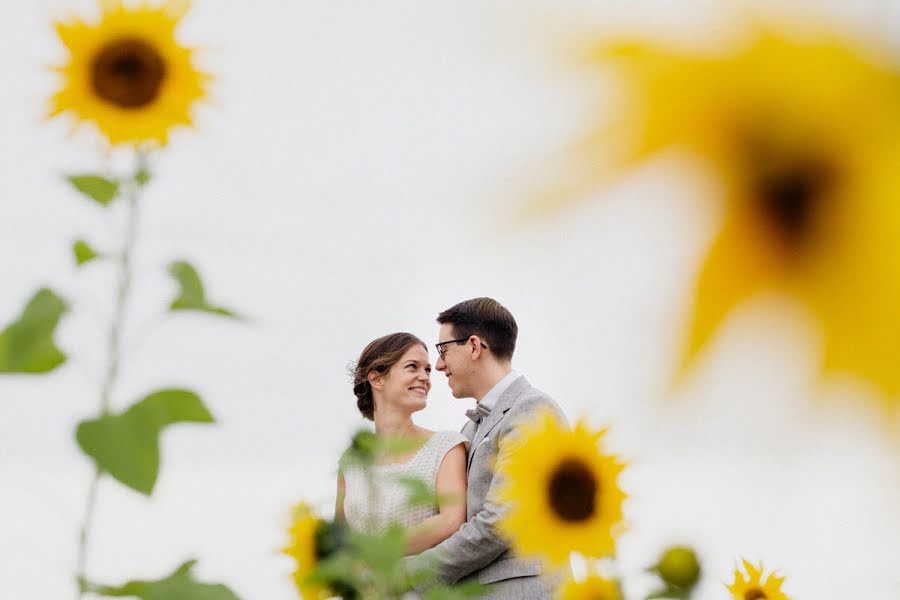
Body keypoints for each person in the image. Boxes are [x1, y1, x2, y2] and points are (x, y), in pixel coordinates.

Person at [407, 297, 569, 599]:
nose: (439, 365)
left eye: (443, 350)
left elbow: (501, 521)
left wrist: (411, 573)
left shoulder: (532, 410)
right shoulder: (469, 429)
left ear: (473, 346)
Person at [336, 332, 469, 555]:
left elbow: (451, 521)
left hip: (426, 586)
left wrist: (377, 556)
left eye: (427, 369)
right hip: (368, 588)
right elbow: (339, 538)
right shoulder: (351, 462)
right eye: (412, 367)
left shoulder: (446, 446)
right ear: (377, 378)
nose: (425, 377)